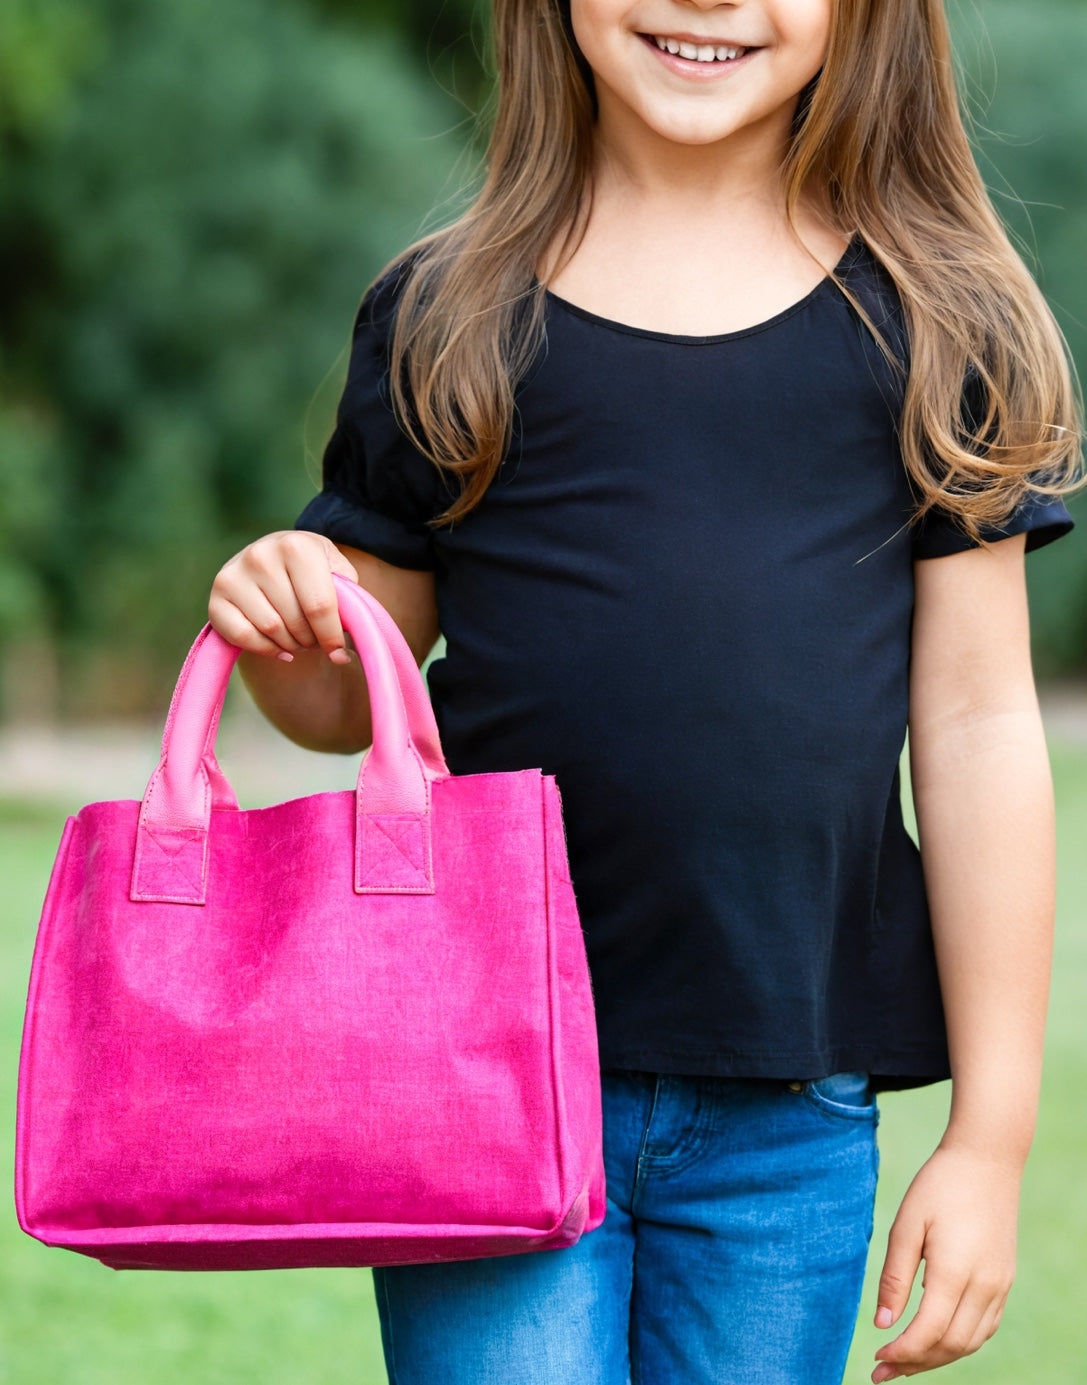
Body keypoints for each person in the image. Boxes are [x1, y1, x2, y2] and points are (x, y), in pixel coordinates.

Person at [208, 1, 1082, 1381]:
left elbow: (978, 731)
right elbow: (343, 702)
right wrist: (284, 616)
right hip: (485, 1088)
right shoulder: (448, 315)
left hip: (786, 1129)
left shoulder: (940, 324)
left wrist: (992, 1135)